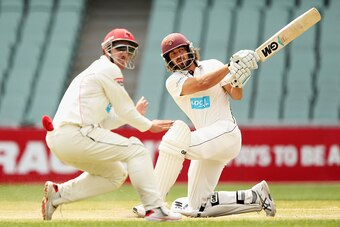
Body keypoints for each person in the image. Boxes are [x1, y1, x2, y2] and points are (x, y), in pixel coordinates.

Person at [41, 28, 182, 222]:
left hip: (63, 138)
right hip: (74, 134)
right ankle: (154, 208)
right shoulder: (108, 69)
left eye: (129, 49)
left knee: (115, 174)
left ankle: (58, 194)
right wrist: (148, 124)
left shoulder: (96, 71)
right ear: (107, 50)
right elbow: (125, 109)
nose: (125, 53)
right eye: (120, 48)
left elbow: (105, 122)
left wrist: (132, 115)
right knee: (136, 150)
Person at [133, 33, 276, 218]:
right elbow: (201, 84)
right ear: (169, 61)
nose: (179, 56)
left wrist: (237, 79)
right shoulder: (173, 81)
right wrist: (231, 66)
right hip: (207, 141)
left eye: (180, 51)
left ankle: (153, 204)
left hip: (226, 133)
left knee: (176, 137)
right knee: (198, 207)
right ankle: (255, 196)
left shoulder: (213, 65)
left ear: (189, 50)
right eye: (173, 55)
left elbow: (236, 95)